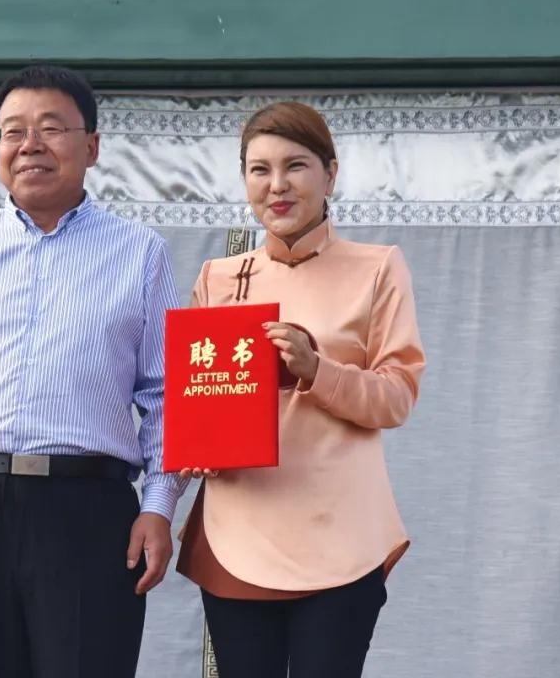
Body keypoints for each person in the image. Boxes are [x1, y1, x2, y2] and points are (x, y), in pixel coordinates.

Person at [0, 64, 185, 678]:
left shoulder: (140, 253)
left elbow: (167, 396)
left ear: (92, 146)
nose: (30, 145)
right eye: (13, 131)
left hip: (90, 510)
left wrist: (158, 505)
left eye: (51, 128)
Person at [176, 101, 426, 678]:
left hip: (340, 535)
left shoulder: (378, 268)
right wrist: (196, 446)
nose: (277, 186)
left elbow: (397, 397)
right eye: (259, 170)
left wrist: (317, 370)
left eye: (296, 166)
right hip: (238, 530)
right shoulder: (218, 277)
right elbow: (196, 398)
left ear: (330, 174)